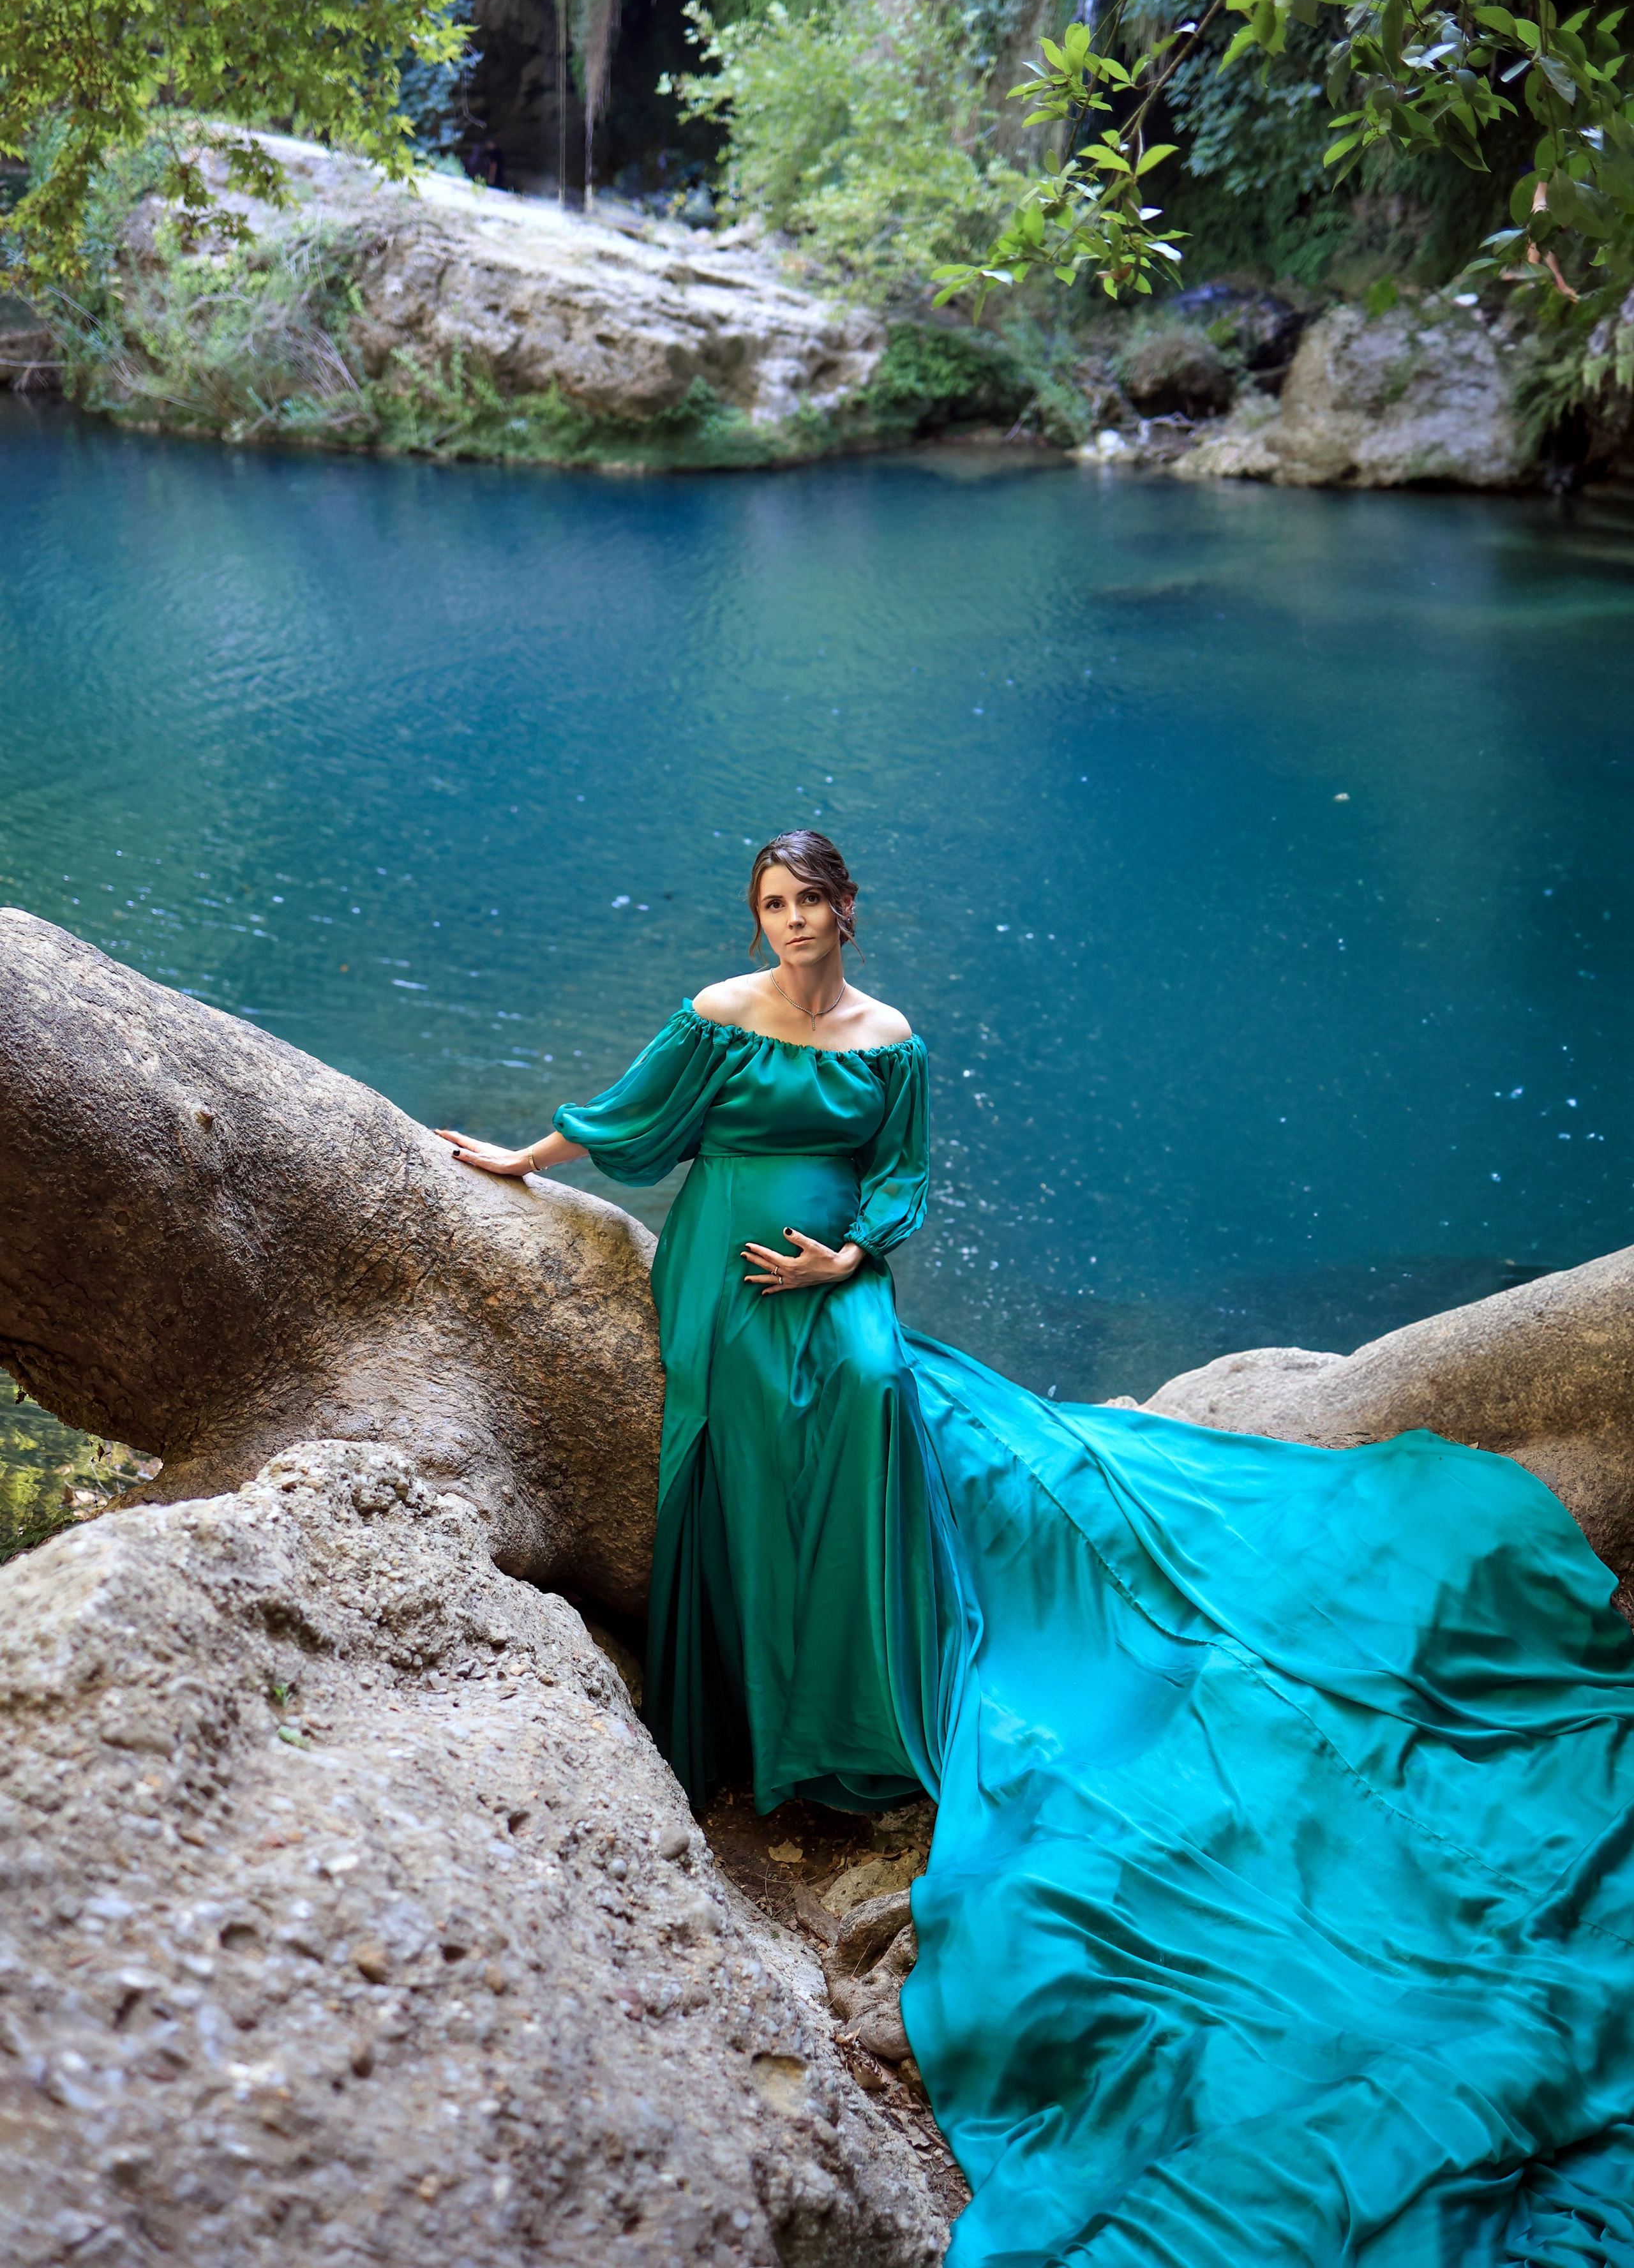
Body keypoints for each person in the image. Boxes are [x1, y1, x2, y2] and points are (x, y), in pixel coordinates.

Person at [438, 831, 1634, 2268]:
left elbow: (902, 1181)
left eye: (808, 902)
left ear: (846, 912)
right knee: (736, 1448)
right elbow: (639, 1121)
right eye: (770, 904)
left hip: (828, 1279)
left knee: (877, 1391)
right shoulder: (715, 1012)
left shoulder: (891, 1041)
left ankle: (856, 1707)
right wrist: (518, 1153)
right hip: (718, 1279)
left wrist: (847, 1261)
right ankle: (750, 1707)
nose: (789, 923)